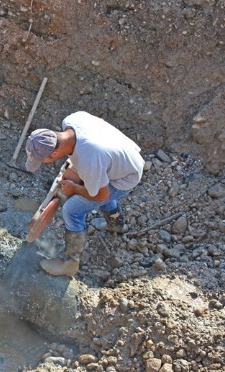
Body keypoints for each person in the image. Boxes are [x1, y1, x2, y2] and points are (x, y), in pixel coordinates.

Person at [25, 111, 145, 277]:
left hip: (126, 176)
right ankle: (117, 225)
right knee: (93, 182)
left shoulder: (89, 160)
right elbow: (99, 123)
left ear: (53, 154)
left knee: (72, 210)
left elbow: (101, 195)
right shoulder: (71, 120)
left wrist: (74, 188)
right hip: (123, 154)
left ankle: (70, 264)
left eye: (42, 160)